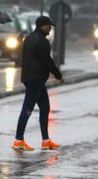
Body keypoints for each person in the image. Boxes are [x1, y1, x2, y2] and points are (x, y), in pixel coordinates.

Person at [14, 15, 63, 151]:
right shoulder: (42, 41)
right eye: (48, 26)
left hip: (33, 78)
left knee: (45, 108)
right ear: (42, 26)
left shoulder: (29, 38)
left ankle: (45, 140)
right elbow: (47, 61)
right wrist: (58, 75)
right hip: (36, 79)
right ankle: (18, 140)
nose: (50, 28)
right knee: (27, 109)